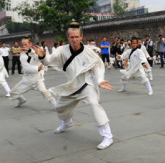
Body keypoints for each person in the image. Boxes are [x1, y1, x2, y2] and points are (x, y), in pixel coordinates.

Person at [32, 22, 115, 150]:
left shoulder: (89, 52)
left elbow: (97, 66)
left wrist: (99, 80)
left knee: (94, 104)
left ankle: (108, 136)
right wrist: (42, 56)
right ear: (68, 38)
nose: (74, 39)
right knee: (60, 107)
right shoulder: (61, 50)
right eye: (72, 37)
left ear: (81, 36)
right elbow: (49, 61)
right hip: (71, 86)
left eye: (77, 37)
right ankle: (67, 122)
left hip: (87, 85)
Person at [9, 37, 57, 108]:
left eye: (26, 44)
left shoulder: (36, 51)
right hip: (27, 79)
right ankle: (22, 100)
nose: (24, 46)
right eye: (23, 45)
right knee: (12, 92)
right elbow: (26, 68)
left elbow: (41, 58)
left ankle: (55, 104)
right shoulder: (22, 55)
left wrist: (42, 56)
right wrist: (37, 68)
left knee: (43, 91)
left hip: (37, 78)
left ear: (30, 44)